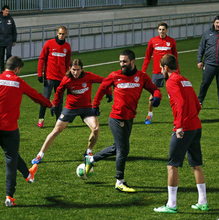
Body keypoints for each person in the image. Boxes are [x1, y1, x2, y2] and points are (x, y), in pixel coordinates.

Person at [0, 56, 53, 207]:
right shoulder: (19, 82)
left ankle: (28, 173)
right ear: (17, 69)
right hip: (9, 128)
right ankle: (9, 196)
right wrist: (50, 104)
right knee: (10, 159)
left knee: (10, 152)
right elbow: (36, 96)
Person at [85, 49, 162, 192]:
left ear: (132, 62)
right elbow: (102, 88)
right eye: (120, 61)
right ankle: (119, 181)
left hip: (129, 118)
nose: (122, 64)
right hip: (116, 118)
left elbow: (155, 90)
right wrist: (95, 105)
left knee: (116, 148)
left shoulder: (142, 77)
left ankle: (92, 159)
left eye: (125, 61)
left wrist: (157, 97)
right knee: (123, 149)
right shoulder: (115, 76)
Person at [154, 54, 209, 213]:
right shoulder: (185, 79)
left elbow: (180, 102)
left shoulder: (171, 81)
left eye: (161, 68)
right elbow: (196, 103)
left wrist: (179, 125)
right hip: (195, 125)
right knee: (196, 165)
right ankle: (203, 202)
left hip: (184, 127)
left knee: (172, 165)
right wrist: (193, 117)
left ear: (165, 68)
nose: (160, 71)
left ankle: (171, 205)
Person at [31, 59, 112, 164]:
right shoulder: (66, 80)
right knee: (56, 131)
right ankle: (39, 155)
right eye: (74, 70)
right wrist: (54, 105)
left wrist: (108, 92)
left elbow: (105, 81)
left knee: (96, 129)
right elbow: (59, 93)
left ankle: (88, 152)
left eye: (78, 70)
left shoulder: (89, 76)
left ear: (81, 69)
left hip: (86, 109)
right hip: (70, 109)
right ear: (70, 69)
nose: (76, 72)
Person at [142, 22, 179, 124]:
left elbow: (175, 58)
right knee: (153, 94)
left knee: (173, 94)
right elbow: (147, 56)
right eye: (160, 29)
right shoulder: (153, 41)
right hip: (157, 72)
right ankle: (149, 114)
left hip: (170, 72)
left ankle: (177, 116)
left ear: (166, 30)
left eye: (163, 29)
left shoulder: (171, 41)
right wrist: (143, 70)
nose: (161, 31)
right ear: (157, 30)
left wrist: (177, 71)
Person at [37, 26, 71, 128]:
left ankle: (58, 120)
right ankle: (41, 118)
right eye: (60, 34)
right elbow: (42, 58)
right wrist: (40, 74)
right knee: (45, 99)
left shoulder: (67, 47)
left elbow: (67, 63)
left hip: (61, 78)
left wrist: (68, 76)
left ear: (66, 34)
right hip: (49, 77)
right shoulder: (49, 43)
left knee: (59, 100)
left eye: (63, 34)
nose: (61, 36)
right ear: (57, 33)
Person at [197, 15, 219, 111]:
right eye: (217, 23)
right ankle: (199, 102)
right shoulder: (207, 33)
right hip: (209, 64)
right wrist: (199, 60)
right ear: (214, 23)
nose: (218, 25)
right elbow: (201, 47)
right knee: (205, 84)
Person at [0, 5, 17, 73]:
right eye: (6, 11)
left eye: (8, 11)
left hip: (9, 40)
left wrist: (14, 40)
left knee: (9, 54)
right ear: (3, 11)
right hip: (0, 40)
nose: (7, 12)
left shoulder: (10, 19)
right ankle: (2, 69)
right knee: (1, 56)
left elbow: (14, 30)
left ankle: (8, 69)